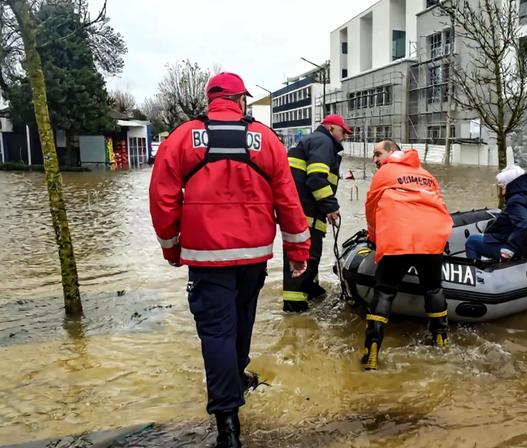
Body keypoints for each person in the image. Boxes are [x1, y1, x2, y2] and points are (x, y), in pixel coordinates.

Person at [149, 72, 310, 448]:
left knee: (216, 332)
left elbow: (162, 197)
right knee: (243, 320)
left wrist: (171, 247)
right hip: (254, 253)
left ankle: (227, 427)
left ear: (210, 100)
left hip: (206, 256)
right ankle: (236, 381)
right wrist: (298, 251)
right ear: (240, 101)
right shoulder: (266, 139)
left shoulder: (182, 137)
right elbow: (287, 198)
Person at [362, 140, 453, 370]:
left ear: (392, 152)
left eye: (378, 154)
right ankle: (441, 340)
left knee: (384, 291)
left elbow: (372, 210)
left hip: (398, 237)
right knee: (433, 288)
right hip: (432, 238)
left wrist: (374, 239)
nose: (375, 160)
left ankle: (371, 351)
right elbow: (440, 205)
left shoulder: (385, 173)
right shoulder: (425, 174)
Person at [282, 114, 351, 312]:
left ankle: (311, 293)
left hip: (302, 213)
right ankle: (295, 309)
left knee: (307, 257)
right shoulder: (323, 142)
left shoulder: (312, 141)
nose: (344, 137)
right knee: (306, 259)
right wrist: (331, 207)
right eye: (342, 132)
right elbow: (316, 179)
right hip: (306, 215)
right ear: (330, 128)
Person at [465, 165, 527, 261]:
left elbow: (524, 225)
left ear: (510, 184)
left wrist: (510, 248)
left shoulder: (516, 200)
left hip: (517, 248)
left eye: (502, 185)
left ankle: (476, 272)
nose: (500, 189)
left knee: (472, 242)